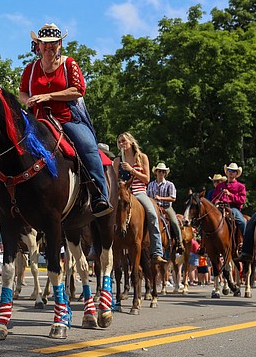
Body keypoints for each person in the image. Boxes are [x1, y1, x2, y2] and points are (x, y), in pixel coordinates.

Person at [19, 23, 112, 217]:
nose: (48, 47)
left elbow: (78, 90)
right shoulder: (31, 68)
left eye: (53, 43)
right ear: (37, 45)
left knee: (87, 146)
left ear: (60, 44)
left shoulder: (69, 64)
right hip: (37, 120)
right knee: (12, 144)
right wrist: (29, 101)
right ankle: (3, 194)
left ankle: (99, 194)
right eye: (44, 43)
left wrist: (48, 96)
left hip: (67, 118)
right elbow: (22, 92)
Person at [113, 133, 166, 264]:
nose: (121, 144)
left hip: (139, 192)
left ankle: (157, 252)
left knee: (153, 215)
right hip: (122, 193)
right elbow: (114, 180)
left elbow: (147, 179)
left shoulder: (142, 158)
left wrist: (132, 170)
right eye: (119, 142)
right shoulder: (118, 160)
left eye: (124, 141)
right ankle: (98, 248)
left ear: (131, 141)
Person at [147, 162, 184, 251]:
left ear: (165, 173)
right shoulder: (150, 184)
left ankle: (180, 242)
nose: (161, 173)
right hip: (153, 207)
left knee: (174, 222)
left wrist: (160, 198)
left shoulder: (169, 184)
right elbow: (147, 196)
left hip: (166, 207)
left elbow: (173, 198)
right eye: (159, 171)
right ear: (156, 172)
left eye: (163, 172)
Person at [211, 162, 247, 245]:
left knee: (242, 222)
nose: (231, 172)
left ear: (236, 174)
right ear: (226, 172)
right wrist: (217, 201)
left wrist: (230, 195)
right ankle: (204, 244)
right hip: (219, 207)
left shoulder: (240, 186)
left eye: (233, 171)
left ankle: (245, 241)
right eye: (229, 170)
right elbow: (214, 197)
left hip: (233, 208)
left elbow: (241, 200)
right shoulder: (220, 185)